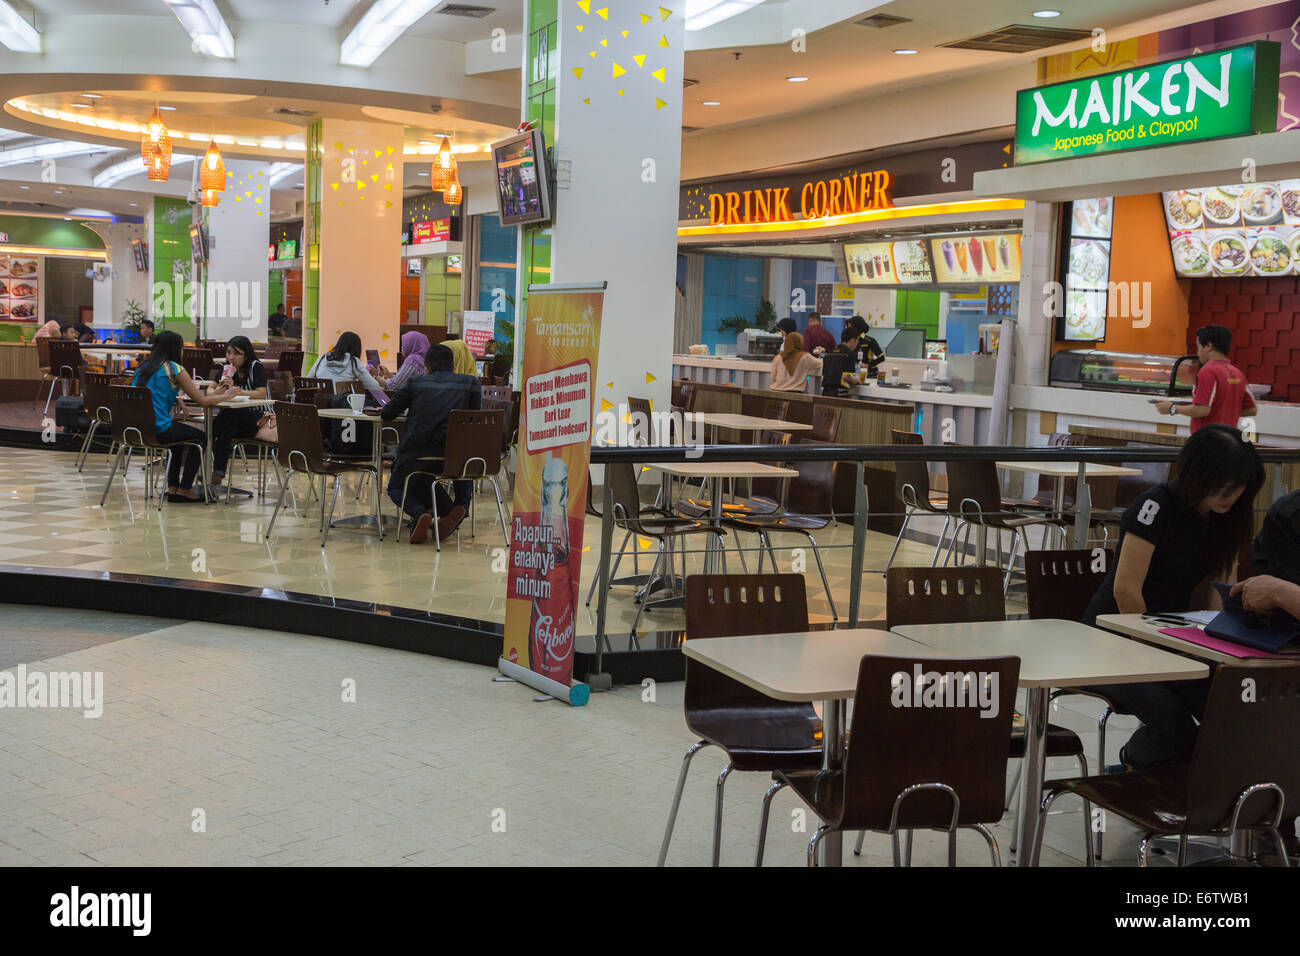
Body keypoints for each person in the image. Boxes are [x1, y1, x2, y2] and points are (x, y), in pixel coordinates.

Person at [1084, 425, 1264, 770]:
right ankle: (1131, 767)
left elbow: (1219, 588)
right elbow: (1126, 590)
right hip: (1112, 640)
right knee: (1173, 724)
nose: (1230, 496)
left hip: (1172, 639)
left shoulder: (1225, 517)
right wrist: (1158, 648)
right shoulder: (1155, 506)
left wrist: (1215, 645)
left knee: (1229, 708)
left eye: (1238, 488)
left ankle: (1192, 790)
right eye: (1222, 487)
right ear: (1198, 474)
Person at [381, 344, 481, 544]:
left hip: (416, 455)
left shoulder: (415, 383)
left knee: (396, 487)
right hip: (456, 459)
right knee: (459, 459)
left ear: (426, 366)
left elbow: (387, 413)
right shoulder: (471, 383)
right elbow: (473, 420)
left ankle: (419, 513)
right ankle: (458, 509)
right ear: (453, 366)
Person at [130, 330, 228, 502]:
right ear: (177, 349)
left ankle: (173, 487)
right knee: (201, 438)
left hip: (136, 429)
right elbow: (202, 401)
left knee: (177, 442)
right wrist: (228, 396)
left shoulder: (142, 368)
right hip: (159, 429)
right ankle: (184, 489)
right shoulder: (175, 369)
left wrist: (175, 398)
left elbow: (149, 393)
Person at [1156, 325, 1256, 431]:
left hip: (1206, 439)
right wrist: (1221, 412)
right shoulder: (1237, 373)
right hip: (1228, 439)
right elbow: (1251, 409)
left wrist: (1172, 408)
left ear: (1208, 346)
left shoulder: (1208, 371)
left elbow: (1202, 410)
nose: (1197, 352)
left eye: (1198, 347)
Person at [208, 336, 269, 489]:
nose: (231, 357)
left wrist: (237, 391)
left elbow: (261, 393)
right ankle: (217, 472)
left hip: (259, 416)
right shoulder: (226, 369)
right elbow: (209, 390)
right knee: (226, 428)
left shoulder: (256, 367)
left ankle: (206, 463)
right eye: (228, 353)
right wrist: (219, 391)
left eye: (236, 353)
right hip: (235, 417)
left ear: (246, 354)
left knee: (222, 423)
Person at [307, 331, 392, 389]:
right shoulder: (354, 362)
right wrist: (374, 375)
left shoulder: (322, 359)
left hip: (320, 405)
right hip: (343, 406)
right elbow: (374, 387)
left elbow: (307, 381)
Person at [821, 326, 861, 397]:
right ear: (852, 340)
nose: (857, 344)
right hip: (839, 393)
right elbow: (846, 376)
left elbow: (823, 376)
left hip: (825, 392)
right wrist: (856, 381)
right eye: (857, 341)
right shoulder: (848, 354)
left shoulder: (829, 353)